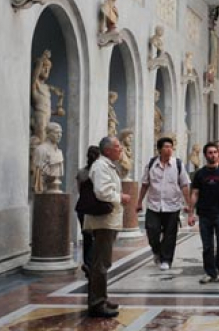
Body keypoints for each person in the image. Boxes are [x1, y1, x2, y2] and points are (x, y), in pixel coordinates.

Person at [84, 136, 131, 318]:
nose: (121, 150)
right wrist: (121, 197)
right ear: (108, 150)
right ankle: (97, 303)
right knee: (100, 263)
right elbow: (102, 192)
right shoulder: (101, 166)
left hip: (108, 220)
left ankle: (101, 298)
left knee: (102, 262)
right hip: (103, 221)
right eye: (118, 147)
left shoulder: (107, 165)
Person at [137, 137, 191, 271]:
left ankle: (166, 259)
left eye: (170, 147)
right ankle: (157, 251)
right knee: (152, 232)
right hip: (154, 205)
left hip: (172, 205)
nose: (169, 149)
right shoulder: (151, 165)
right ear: (159, 149)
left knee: (170, 235)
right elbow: (145, 184)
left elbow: (184, 185)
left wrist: (188, 204)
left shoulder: (178, 165)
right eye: (166, 147)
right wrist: (139, 202)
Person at [188, 142, 219, 283]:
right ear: (205, 155)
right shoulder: (200, 174)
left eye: (215, 152)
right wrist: (191, 214)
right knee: (207, 245)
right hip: (204, 213)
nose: (213, 155)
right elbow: (195, 194)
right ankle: (210, 272)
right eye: (210, 153)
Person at [75, 145, 99, 277]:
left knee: (87, 236)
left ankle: (88, 262)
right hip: (95, 208)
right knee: (97, 235)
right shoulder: (98, 172)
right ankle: (92, 263)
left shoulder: (81, 172)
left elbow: (79, 190)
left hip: (82, 207)